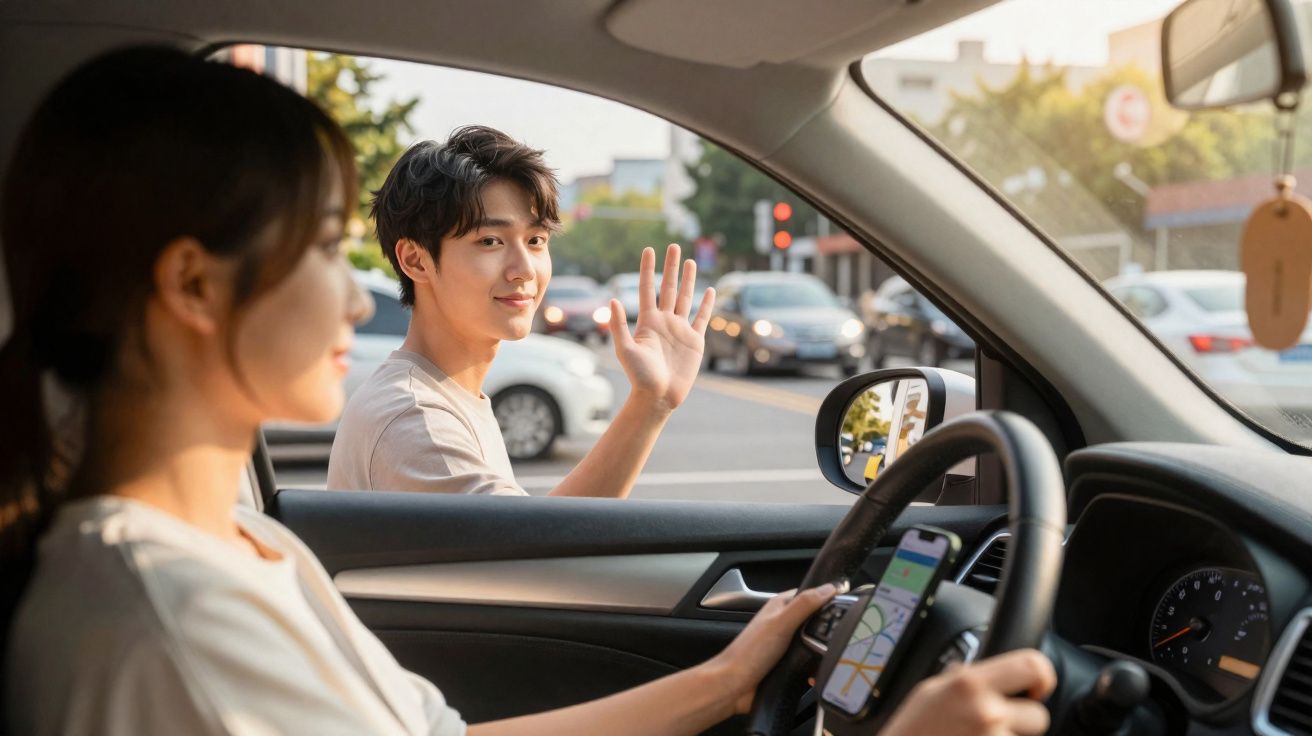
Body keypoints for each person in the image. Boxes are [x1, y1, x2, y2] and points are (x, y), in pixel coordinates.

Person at [0, 46, 1056, 735]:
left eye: (533, 240)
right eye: (325, 246)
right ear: (191, 283)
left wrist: (729, 680)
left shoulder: (240, 550)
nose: (350, 294)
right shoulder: (167, 613)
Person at [326, 127, 712, 497]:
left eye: (535, 240)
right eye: (490, 241)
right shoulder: (414, 422)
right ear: (416, 260)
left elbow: (525, 542)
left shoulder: (444, 394)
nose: (525, 268)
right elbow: (543, 556)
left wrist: (652, 401)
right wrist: (648, 405)